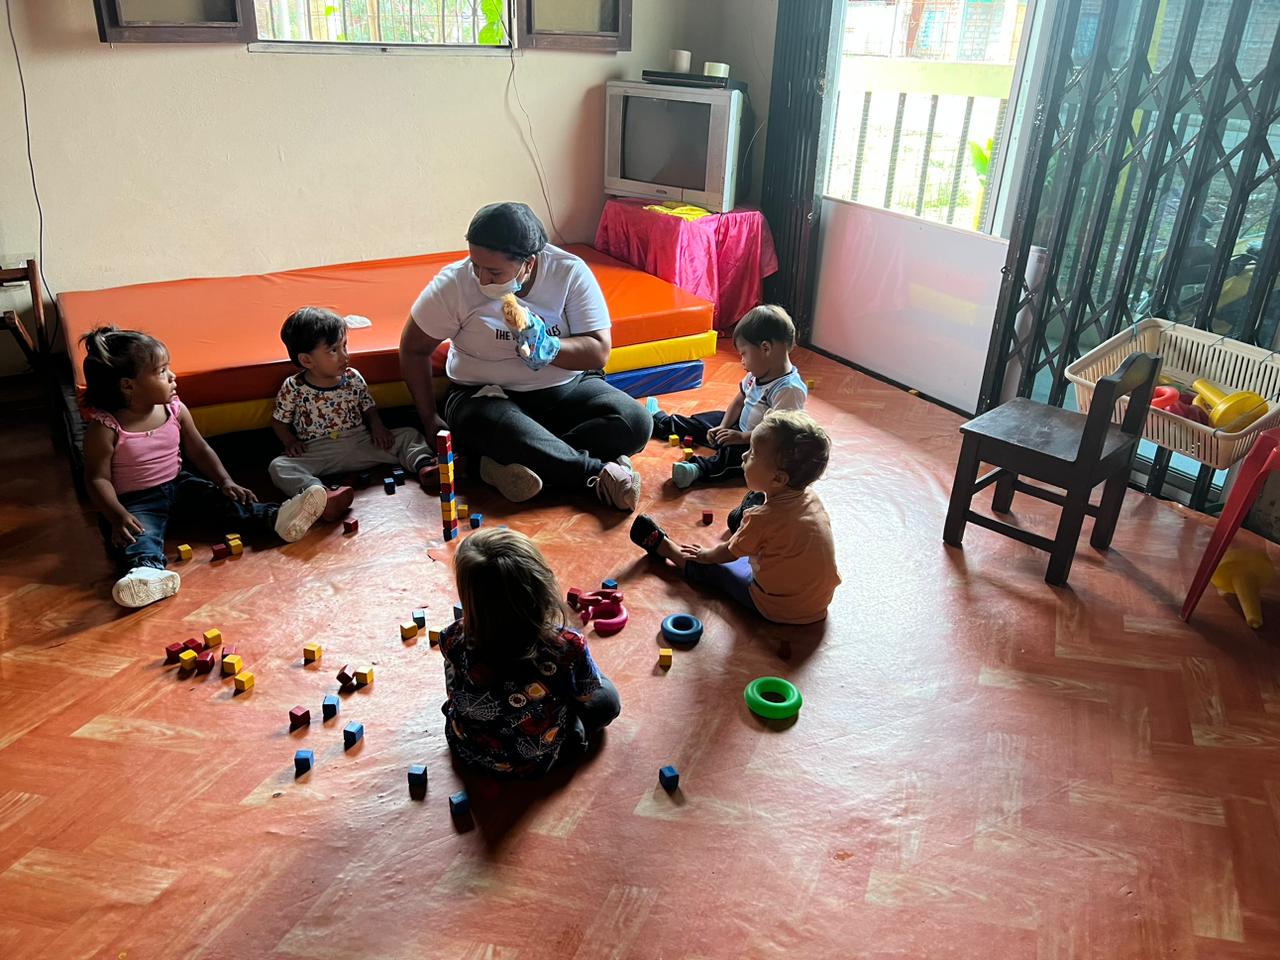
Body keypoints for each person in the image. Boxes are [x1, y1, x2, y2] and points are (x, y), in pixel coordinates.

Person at [399, 202, 650, 511]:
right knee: (484, 424)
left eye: (494, 272)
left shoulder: (568, 272)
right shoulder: (455, 284)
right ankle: (596, 475)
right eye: (476, 265)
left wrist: (550, 348)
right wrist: (429, 419)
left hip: (564, 390)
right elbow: (413, 348)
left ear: (528, 263)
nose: (482, 279)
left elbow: (598, 351)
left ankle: (498, 465)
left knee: (635, 423)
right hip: (486, 398)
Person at [81, 327, 326, 609]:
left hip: (180, 484)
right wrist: (117, 515)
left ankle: (277, 518)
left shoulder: (174, 409)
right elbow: (97, 479)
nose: (172, 376)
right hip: (135, 502)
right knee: (138, 536)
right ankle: (146, 573)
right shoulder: (105, 428)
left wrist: (225, 481)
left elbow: (199, 449)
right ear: (128, 386)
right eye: (161, 371)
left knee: (224, 503)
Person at [439, 528, 621, 777]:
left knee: (452, 661)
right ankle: (575, 733)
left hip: (469, 750)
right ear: (542, 587)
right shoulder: (568, 645)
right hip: (539, 761)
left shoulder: (453, 637)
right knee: (607, 698)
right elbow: (586, 697)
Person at [629, 410, 840, 624]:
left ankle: (666, 548)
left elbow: (727, 553)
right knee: (757, 530)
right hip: (818, 602)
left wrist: (705, 555)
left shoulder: (763, 518)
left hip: (779, 607)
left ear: (778, 478)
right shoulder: (812, 499)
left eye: (753, 454)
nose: (743, 456)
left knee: (715, 569)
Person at [269, 307, 436, 517]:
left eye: (344, 346)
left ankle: (424, 466)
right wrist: (290, 441)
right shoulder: (294, 387)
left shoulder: (352, 377)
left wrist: (378, 427)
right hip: (319, 450)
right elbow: (279, 421)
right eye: (333, 350)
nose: (344, 355)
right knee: (279, 466)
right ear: (307, 360)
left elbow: (368, 407)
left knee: (408, 434)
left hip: (360, 442)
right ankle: (320, 495)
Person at [651, 304, 807, 491]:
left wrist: (742, 437)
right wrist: (724, 426)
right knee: (705, 421)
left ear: (765, 348)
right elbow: (739, 401)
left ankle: (697, 470)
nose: (742, 361)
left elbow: (775, 434)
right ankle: (661, 423)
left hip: (761, 445)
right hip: (739, 427)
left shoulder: (789, 390)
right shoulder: (757, 373)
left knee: (736, 458)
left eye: (744, 354)